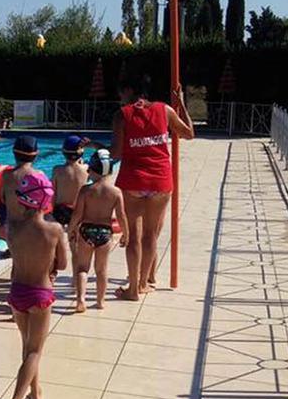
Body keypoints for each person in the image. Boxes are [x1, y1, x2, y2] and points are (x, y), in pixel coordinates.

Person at [112, 76, 194, 300]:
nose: (120, 99)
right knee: (151, 236)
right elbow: (189, 133)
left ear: (129, 90)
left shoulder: (122, 115)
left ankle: (131, 290)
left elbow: (116, 154)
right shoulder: (165, 110)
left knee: (133, 237)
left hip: (133, 181)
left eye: (121, 94)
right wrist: (182, 105)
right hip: (160, 181)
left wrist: (98, 147)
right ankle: (142, 284)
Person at [5, 171, 67, 399]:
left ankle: (35, 391)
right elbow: (62, 264)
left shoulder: (13, 228)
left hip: (17, 292)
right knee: (35, 350)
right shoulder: (54, 230)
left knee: (27, 344)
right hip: (40, 293)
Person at [69, 149, 129, 313]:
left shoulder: (86, 190)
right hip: (105, 234)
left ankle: (81, 300)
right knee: (101, 270)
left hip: (86, 231)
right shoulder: (116, 192)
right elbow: (122, 216)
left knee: (82, 268)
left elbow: (77, 214)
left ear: (93, 171)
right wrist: (126, 234)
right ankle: (100, 301)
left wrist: (71, 231)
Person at [1, 135, 47, 252]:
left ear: (14, 153)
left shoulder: (6, 175)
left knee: (17, 266)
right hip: (33, 228)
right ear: (36, 155)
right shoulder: (39, 175)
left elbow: (3, 198)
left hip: (13, 228)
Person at [50, 135, 90, 227]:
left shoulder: (57, 170)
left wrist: (52, 213)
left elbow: (53, 193)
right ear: (81, 153)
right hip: (78, 212)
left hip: (60, 212)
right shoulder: (86, 169)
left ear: (63, 152)